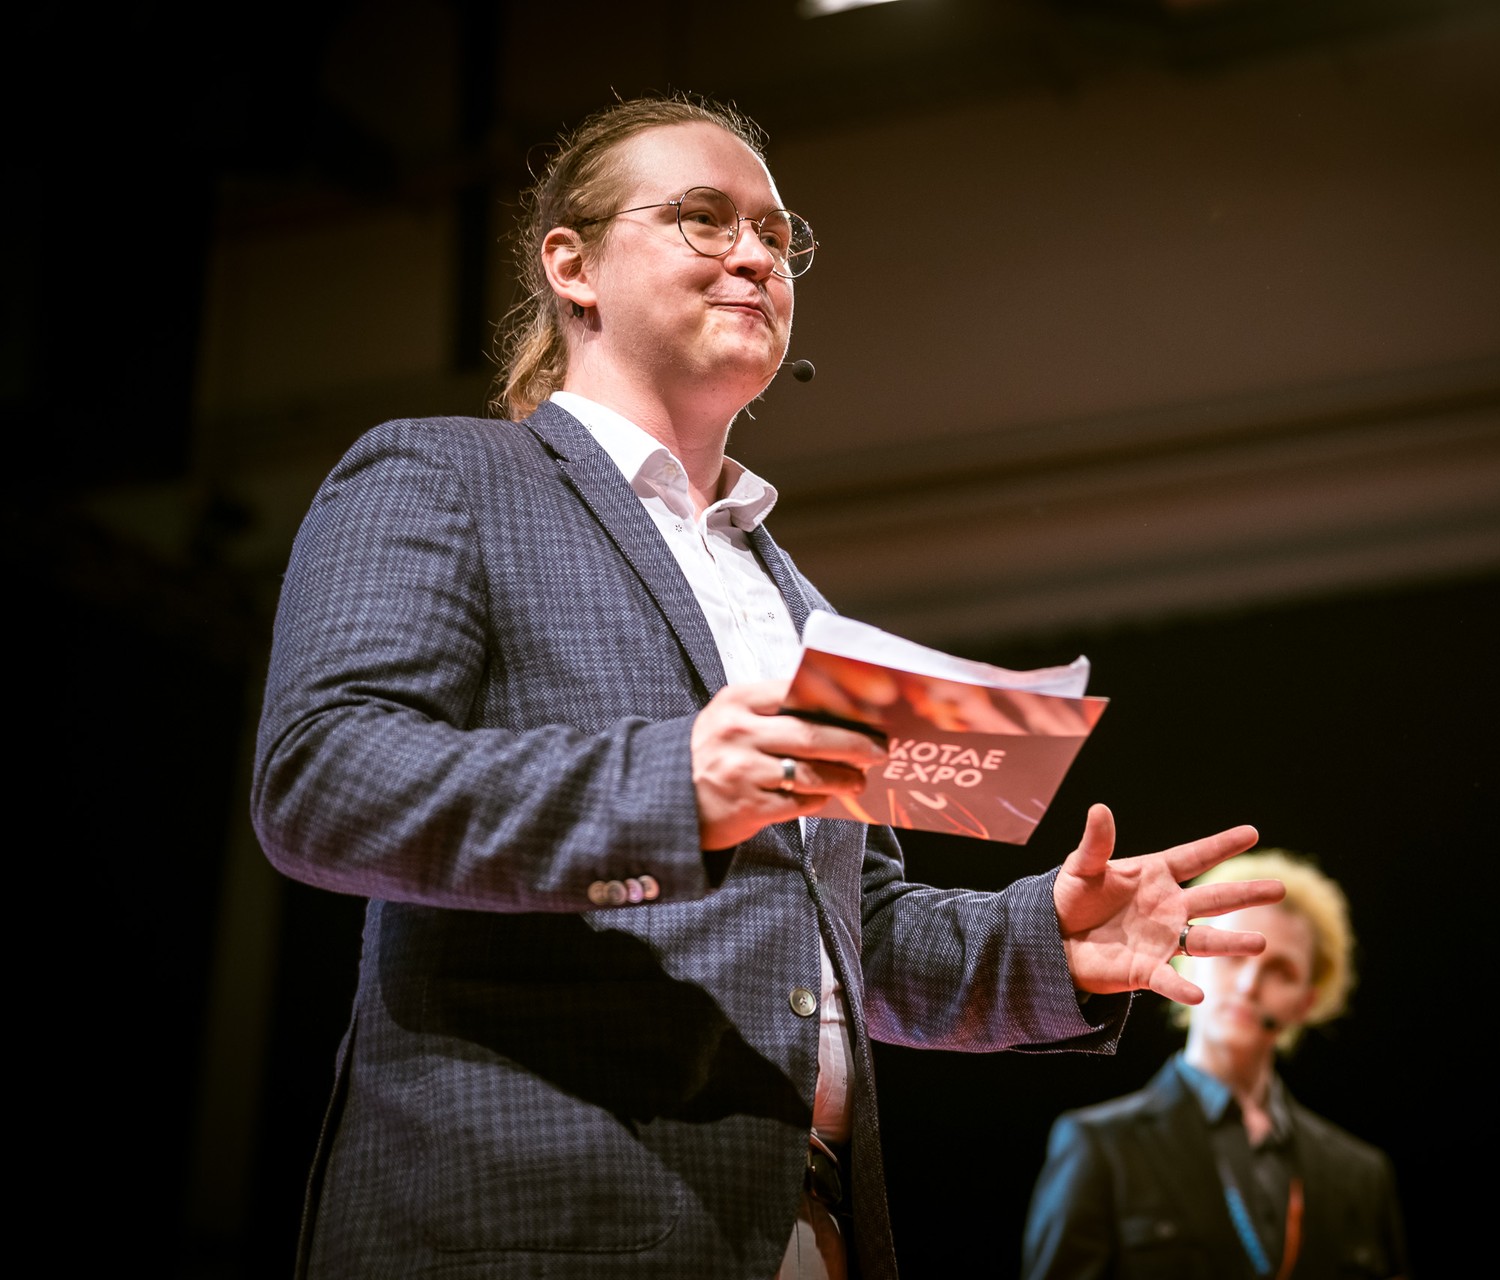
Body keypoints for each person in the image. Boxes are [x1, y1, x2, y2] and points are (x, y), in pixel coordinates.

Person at [251, 93, 1280, 1280]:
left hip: (803, 1232)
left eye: (778, 236)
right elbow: (323, 775)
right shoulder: (443, 475)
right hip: (539, 1227)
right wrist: (675, 786)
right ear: (572, 265)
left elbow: (849, 934)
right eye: (703, 217)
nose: (755, 255)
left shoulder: (793, 599)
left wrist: (1045, 943)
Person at [1022, 851, 1408, 1280]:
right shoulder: (1100, 1147)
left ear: (1307, 1001)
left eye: (1280, 970)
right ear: (1185, 958)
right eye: (1232, 954)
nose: (1248, 985)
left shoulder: (1361, 1175)